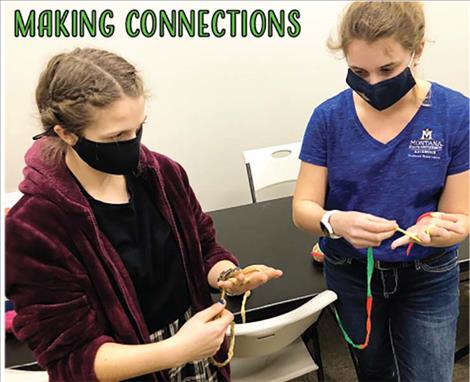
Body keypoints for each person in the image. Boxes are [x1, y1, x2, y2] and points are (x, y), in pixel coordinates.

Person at [5, 47, 282, 382]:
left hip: (192, 346)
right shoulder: (34, 227)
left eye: (139, 128)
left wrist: (228, 276)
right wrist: (176, 350)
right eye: (116, 136)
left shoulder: (163, 175)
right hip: (130, 367)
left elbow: (205, 248)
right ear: (65, 133)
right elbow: (71, 358)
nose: (133, 144)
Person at [293, 2, 468, 382]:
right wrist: (334, 221)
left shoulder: (455, 115)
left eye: (387, 69)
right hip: (352, 274)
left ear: (417, 50)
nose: (373, 83)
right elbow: (303, 208)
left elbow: (460, 215)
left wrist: (448, 228)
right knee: (375, 374)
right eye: (358, 72)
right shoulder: (328, 119)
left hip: (427, 275)